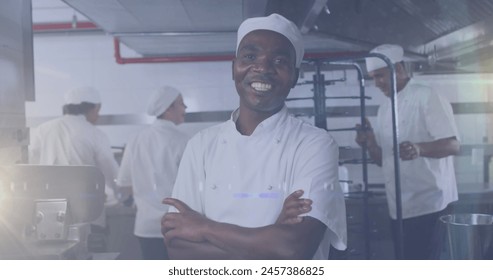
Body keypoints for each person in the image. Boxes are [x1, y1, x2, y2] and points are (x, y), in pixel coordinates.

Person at [161, 13, 347, 260]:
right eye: (250, 57)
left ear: (294, 76)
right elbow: (178, 249)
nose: (263, 68)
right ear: (233, 68)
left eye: (279, 61)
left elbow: (292, 249)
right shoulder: (201, 145)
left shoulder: (315, 144)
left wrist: (203, 227)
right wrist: (271, 236)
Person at [355, 44, 460, 259]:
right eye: (373, 78)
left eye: (380, 76)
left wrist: (419, 149)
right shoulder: (384, 108)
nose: (377, 84)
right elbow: (384, 160)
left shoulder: (427, 96)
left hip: (430, 205)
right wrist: (371, 143)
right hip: (399, 208)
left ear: (399, 70)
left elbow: (453, 145)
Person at [29, 86, 120, 235]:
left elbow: (33, 166)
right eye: (98, 110)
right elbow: (111, 173)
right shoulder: (95, 133)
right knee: (87, 252)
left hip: (49, 212)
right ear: (90, 109)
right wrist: (119, 197)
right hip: (86, 212)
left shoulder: (42, 130)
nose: (98, 115)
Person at [116, 86, 190, 260]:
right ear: (168, 108)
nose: (185, 108)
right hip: (176, 226)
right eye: (181, 104)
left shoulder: (135, 139)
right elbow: (193, 187)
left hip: (145, 227)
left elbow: (123, 185)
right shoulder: (183, 140)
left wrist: (135, 202)